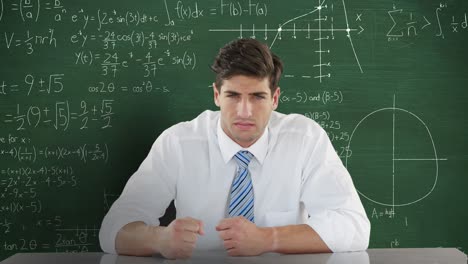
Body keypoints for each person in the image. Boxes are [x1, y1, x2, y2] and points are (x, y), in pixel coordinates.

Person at [99, 38, 370, 259]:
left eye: (257, 97)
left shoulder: (305, 139)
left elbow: (354, 226)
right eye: (232, 96)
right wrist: (160, 239)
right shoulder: (179, 143)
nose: (244, 111)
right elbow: (112, 230)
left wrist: (269, 238)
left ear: (275, 98)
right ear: (217, 94)